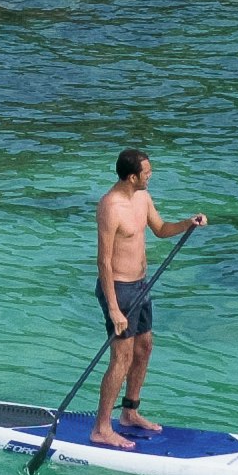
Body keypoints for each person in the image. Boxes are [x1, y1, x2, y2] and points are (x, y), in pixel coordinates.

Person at [90, 151, 207, 446]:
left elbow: (160, 229)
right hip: (119, 289)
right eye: (146, 172)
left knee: (144, 347)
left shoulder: (142, 198)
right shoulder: (110, 207)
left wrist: (187, 223)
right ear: (132, 177)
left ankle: (129, 413)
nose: (150, 175)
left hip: (142, 286)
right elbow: (103, 262)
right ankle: (102, 427)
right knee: (122, 357)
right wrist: (114, 308)